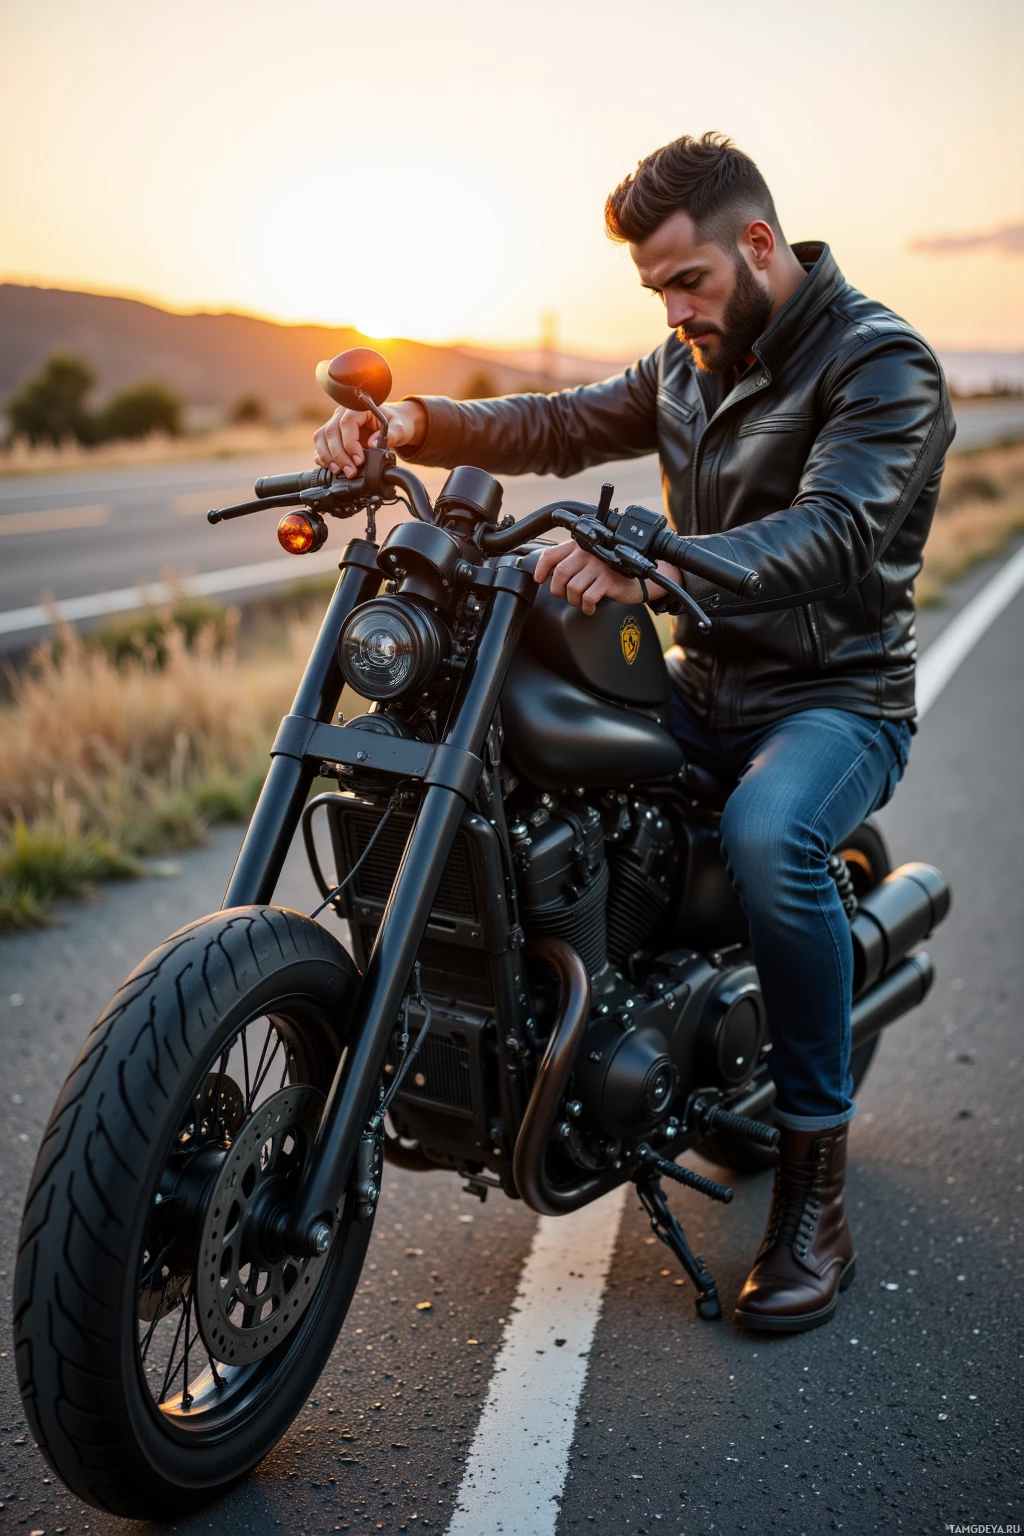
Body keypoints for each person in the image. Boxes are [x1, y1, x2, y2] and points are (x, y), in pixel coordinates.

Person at [313, 132, 954, 1333]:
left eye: (688, 281)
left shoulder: (882, 366)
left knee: (769, 840)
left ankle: (814, 1190)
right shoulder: (684, 360)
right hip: (701, 685)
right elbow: (555, 424)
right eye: (656, 291)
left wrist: (655, 561)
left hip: (833, 697)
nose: (673, 310)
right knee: (523, 750)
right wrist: (408, 421)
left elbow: (832, 534)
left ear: (756, 244)